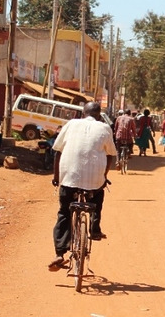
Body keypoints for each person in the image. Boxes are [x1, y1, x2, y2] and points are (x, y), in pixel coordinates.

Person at [49, 102, 117, 268]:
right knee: (96, 200)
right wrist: (104, 176)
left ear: (82, 113)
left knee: (64, 212)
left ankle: (59, 253)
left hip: (69, 179)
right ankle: (94, 229)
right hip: (94, 181)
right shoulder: (105, 128)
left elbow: (58, 151)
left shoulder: (71, 124)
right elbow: (111, 155)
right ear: (99, 115)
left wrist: (56, 177)